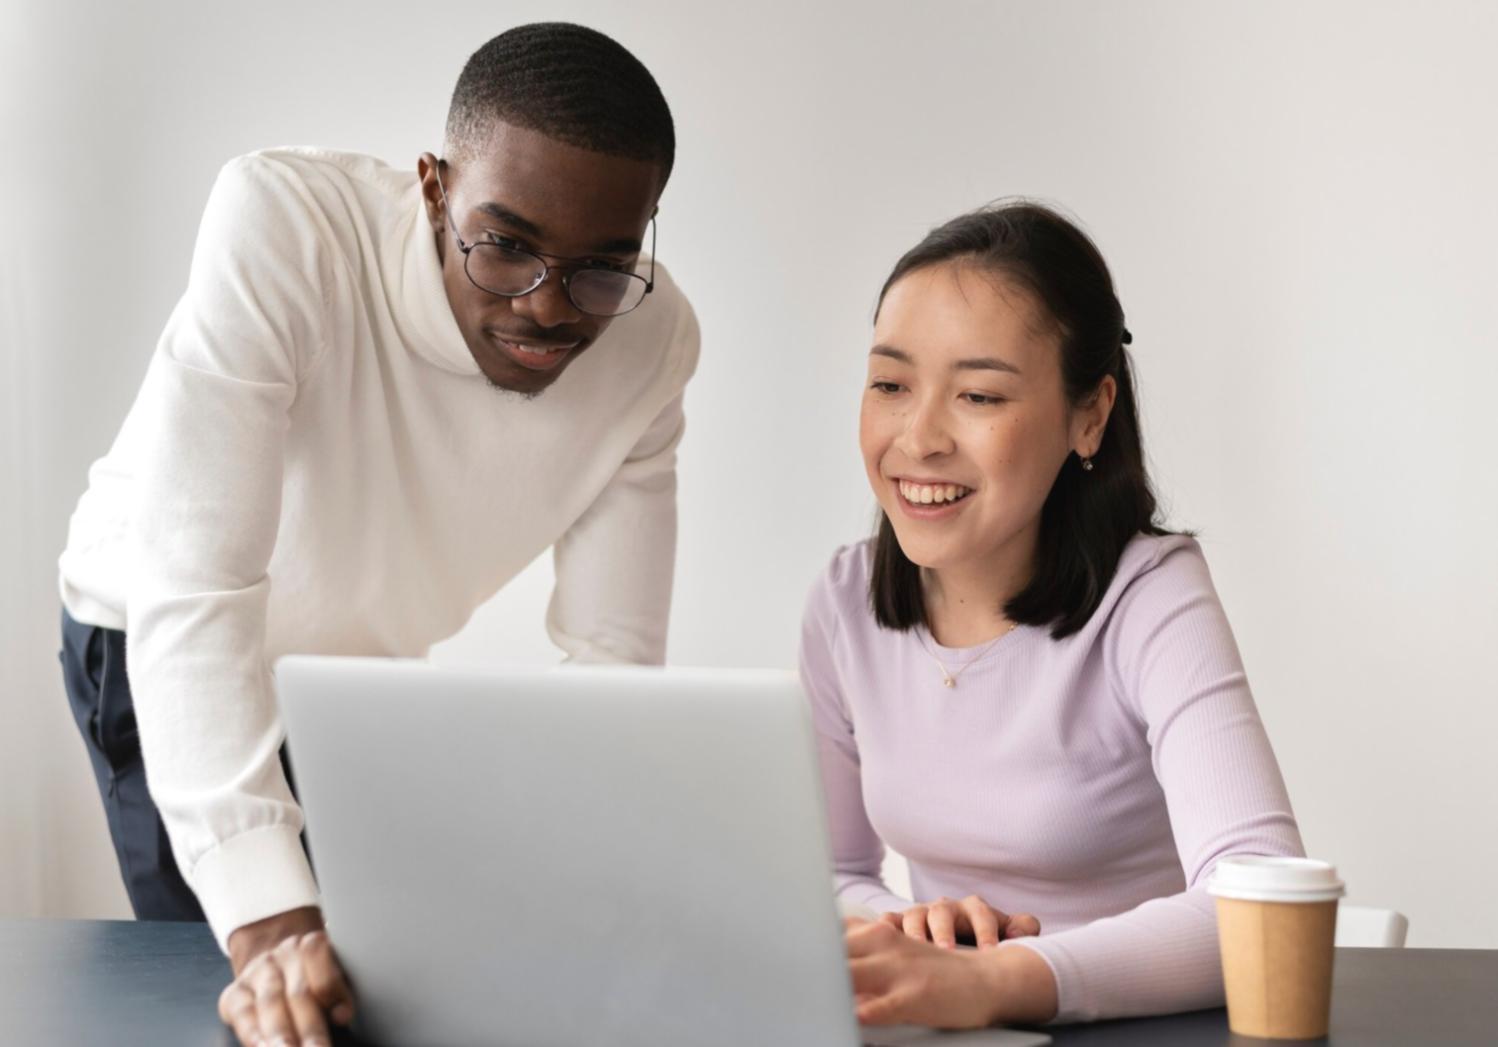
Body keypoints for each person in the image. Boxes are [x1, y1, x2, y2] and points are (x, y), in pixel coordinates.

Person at [56, 22, 697, 1046]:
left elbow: (610, 659)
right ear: (435, 187)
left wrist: (585, 902)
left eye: (601, 269)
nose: (546, 308)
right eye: (507, 245)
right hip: (152, 636)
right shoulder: (284, 224)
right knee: (269, 1007)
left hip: (350, 675)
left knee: (394, 1002)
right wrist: (269, 931)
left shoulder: (655, 343)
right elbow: (196, 579)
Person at [800, 202, 1304, 1028]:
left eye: (979, 395)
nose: (918, 437)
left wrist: (1000, 978)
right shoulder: (844, 602)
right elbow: (827, 873)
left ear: (1090, 415)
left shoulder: (1151, 594)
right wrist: (910, 932)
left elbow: (1260, 896)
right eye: (890, 383)